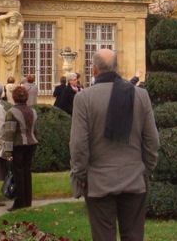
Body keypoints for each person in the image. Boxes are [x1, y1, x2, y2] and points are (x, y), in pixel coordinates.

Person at [70, 49, 160, 241]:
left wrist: (82, 175)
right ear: (116, 68)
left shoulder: (84, 98)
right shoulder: (140, 95)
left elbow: (78, 145)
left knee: (103, 236)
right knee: (134, 235)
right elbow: (152, 140)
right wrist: (145, 169)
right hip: (134, 177)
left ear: (93, 70)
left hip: (98, 181)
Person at [3, 85, 38, 211]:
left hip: (18, 146)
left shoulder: (11, 112)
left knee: (18, 173)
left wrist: (7, 152)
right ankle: (27, 201)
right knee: (27, 172)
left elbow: (9, 132)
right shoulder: (33, 111)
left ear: (14, 98)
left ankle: (19, 203)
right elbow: (36, 130)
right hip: (31, 144)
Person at [0, 11, 24, 78]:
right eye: (11, 18)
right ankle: (6, 79)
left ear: (16, 20)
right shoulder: (5, 24)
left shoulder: (18, 25)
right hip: (5, 46)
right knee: (5, 65)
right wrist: (9, 15)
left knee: (13, 64)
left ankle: (11, 78)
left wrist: (19, 40)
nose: (12, 19)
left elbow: (22, 31)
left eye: (13, 18)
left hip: (13, 45)